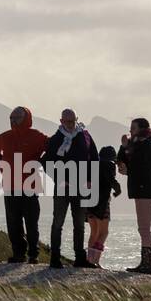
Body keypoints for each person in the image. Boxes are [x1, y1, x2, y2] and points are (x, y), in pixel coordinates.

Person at [0, 105, 49, 264]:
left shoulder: (36, 136)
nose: (13, 121)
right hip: (10, 186)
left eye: (16, 118)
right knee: (13, 223)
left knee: (31, 223)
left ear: (26, 119)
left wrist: (42, 161)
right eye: (11, 118)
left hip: (30, 186)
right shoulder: (5, 137)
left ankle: (33, 255)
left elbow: (51, 146)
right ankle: (18, 254)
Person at [40, 108, 98, 269]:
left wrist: (89, 179)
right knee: (58, 223)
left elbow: (94, 158)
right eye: (68, 121)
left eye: (73, 121)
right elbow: (45, 162)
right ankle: (55, 259)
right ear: (61, 122)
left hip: (81, 188)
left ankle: (80, 258)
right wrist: (59, 179)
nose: (71, 124)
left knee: (79, 224)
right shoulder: (56, 139)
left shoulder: (85, 136)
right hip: (62, 189)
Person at [117, 117, 151, 275]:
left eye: (133, 128)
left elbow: (147, 167)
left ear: (141, 129)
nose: (130, 131)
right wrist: (123, 147)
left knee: (144, 229)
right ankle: (149, 264)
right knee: (145, 229)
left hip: (146, 191)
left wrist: (129, 170)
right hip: (142, 191)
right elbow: (122, 159)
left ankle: (147, 265)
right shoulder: (134, 145)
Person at [84, 146, 121, 268]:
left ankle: (89, 260)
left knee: (94, 232)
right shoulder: (109, 165)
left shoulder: (92, 165)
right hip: (102, 203)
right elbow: (111, 180)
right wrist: (117, 189)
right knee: (104, 232)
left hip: (89, 201)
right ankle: (96, 260)